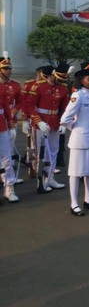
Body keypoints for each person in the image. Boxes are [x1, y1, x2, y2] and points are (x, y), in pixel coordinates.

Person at [59, 61, 89, 216]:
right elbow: (65, 119)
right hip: (79, 140)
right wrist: (76, 128)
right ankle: (74, 203)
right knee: (75, 172)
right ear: (81, 80)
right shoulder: (77, 96)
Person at [25, 63, 71, 193]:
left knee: (54, 152)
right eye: (59, 78)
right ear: (53, 74)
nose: (61, 81)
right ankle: (41, 180)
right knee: (41, 153)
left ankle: (50, 178)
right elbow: (29, 106)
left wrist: (63, 123)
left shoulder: (63, 87)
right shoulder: (38, 86)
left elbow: (65, 108)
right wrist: (38, 122)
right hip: (41, 123)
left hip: (55, 122)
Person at [0, 52, 22, 201]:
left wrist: (11, 125)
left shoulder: (9, 86)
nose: (9, 70)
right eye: (5, 68)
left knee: (6, 157)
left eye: (10, 68)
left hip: (2, 124)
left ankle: (9, 187)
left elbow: (7, 108)